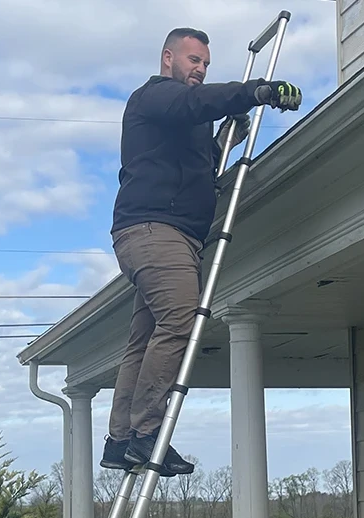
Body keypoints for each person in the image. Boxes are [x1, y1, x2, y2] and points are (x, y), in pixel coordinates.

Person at [100, 26, 302, 476]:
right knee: (179, 320)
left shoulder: (182, 121)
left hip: (167, 234)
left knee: (145, 338)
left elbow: (196, 165)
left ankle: (119, 440)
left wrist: (222, 144)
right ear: (167, 57)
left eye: (206, 64)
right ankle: (146, 434)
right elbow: (195, 102)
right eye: (194, 61)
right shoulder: (153, 96)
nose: (200, 70)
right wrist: (258, 91)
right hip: (157, 231)